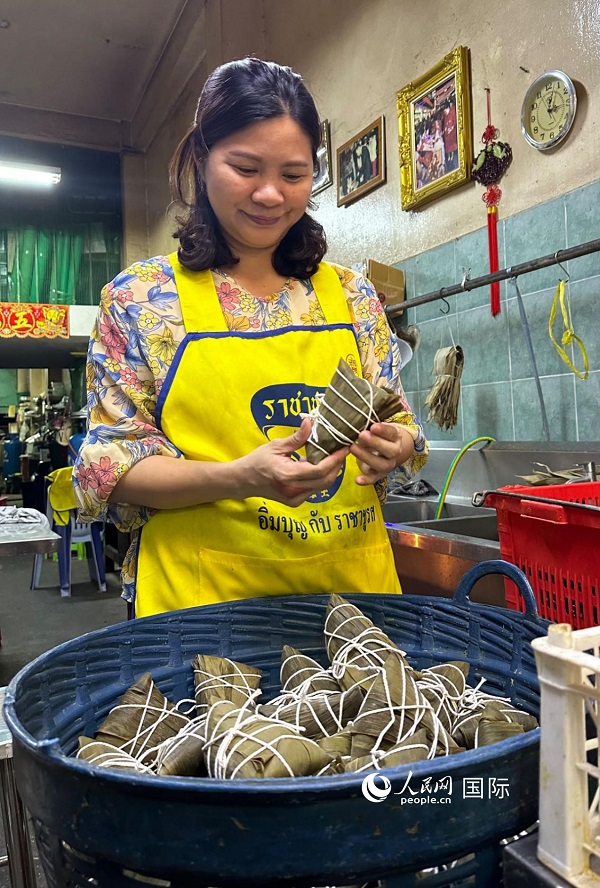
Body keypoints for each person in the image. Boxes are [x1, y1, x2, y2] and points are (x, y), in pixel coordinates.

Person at [73, 57, 428, 618]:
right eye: (245, 168)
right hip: (203, 612)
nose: (270, 195)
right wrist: (241, 477)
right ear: (200, 160)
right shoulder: (143, 300)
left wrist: (396, 446)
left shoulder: (354, 298)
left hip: (352, 606)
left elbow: (400, 423)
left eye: (293, 175)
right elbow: (112, 467)